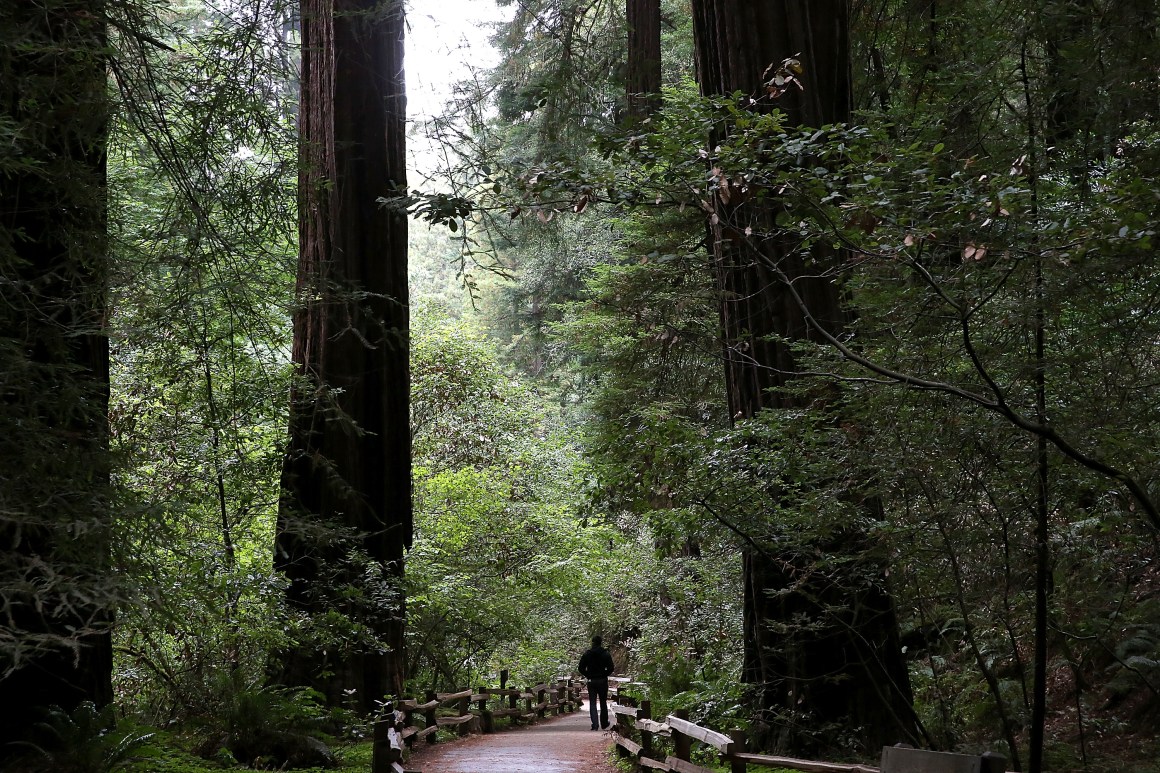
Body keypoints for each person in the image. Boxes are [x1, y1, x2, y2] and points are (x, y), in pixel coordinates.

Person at [578, 635, 615, 730]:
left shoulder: (587, 654)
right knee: (603, 702)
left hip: (592, 681)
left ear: (592, 642)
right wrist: (605, 674)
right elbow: (611, 668)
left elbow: (580, 668)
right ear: (600, 642)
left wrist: (588, 675)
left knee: (593, 703)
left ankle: (595, 725)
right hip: (602, 680)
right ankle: (604, 723)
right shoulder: (605, 653)